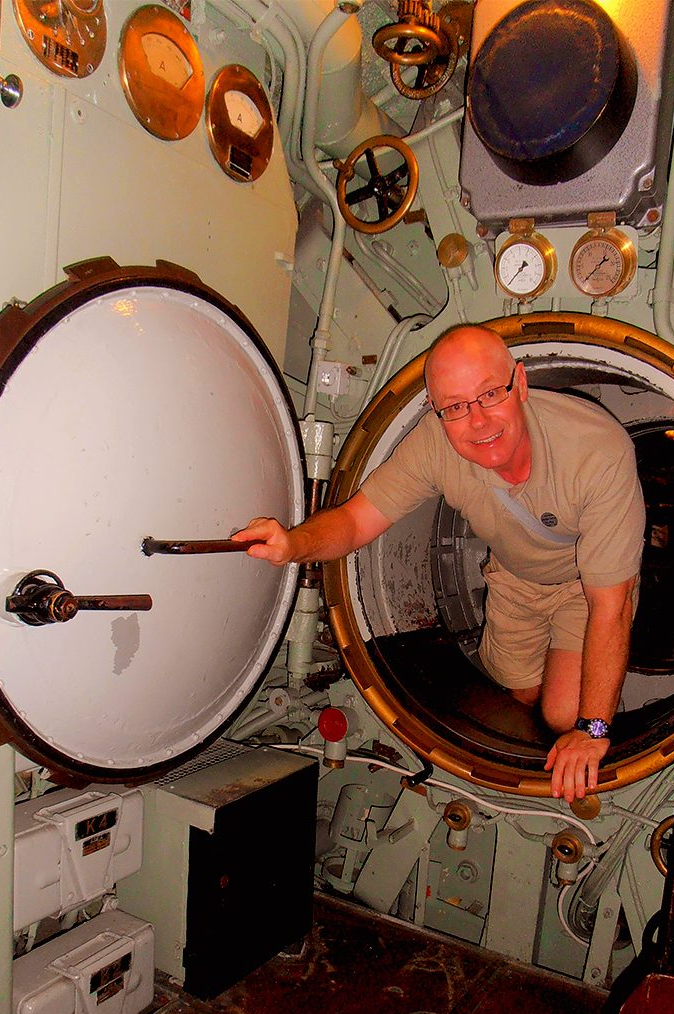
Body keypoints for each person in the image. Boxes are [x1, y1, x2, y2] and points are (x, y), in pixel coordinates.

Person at [233, 324, 645, 804]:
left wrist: (591, 730)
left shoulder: (597, 450)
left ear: (521, 383)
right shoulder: (433, 444)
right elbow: (354, 521)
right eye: (454, 407)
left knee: (561, 713)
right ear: (435, 408)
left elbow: (609, 605)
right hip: (514, 577)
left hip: (583, 583)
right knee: (520, 693)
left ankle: (588, 716)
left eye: (490, 393)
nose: (478, 421)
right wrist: (292, 544)